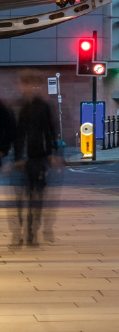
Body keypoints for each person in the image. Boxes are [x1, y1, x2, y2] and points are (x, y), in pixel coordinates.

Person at [15, 98, 57, 246]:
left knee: (36, 196)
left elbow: (49, 131)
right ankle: (25, 229)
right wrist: (18, 157)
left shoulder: (42, 107)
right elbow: (18, 134)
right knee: (26, 197)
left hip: (37, 158)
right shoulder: (23, 107)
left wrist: (50, 153)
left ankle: (31, 229)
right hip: (27, 159)